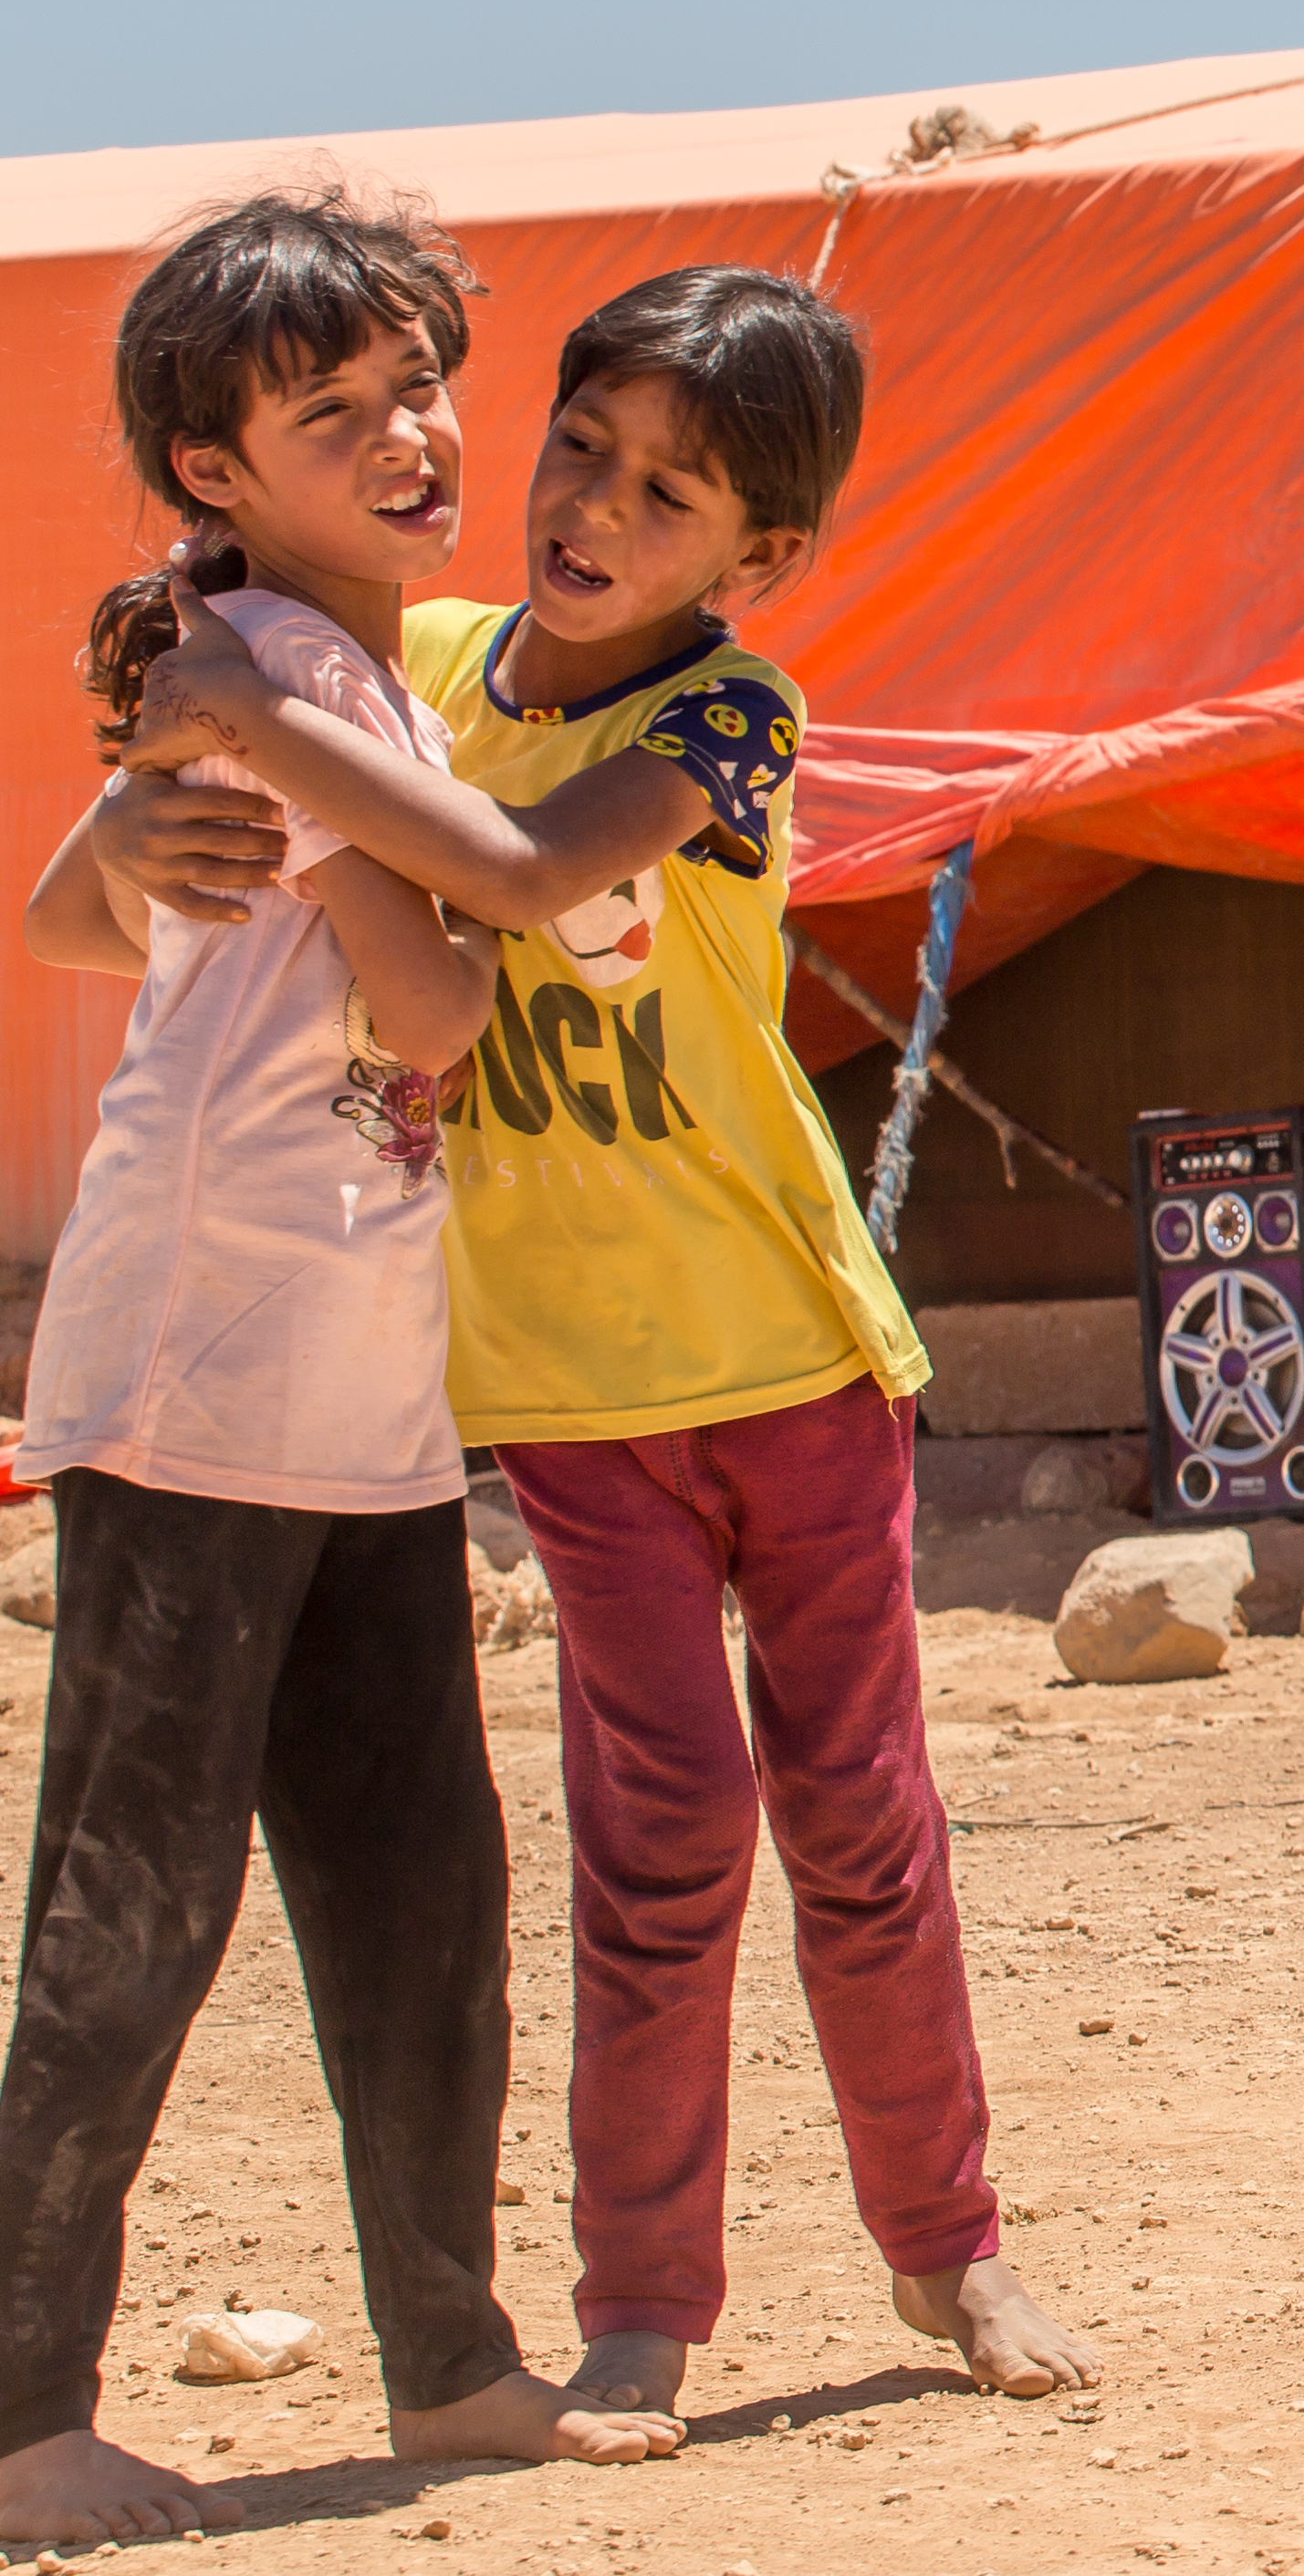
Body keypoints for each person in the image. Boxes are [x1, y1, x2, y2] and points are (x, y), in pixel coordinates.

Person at [84, 267, 1096, 2409]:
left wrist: (244, 716)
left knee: (861, 1824)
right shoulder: (419, 663)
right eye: (580, 447)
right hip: (562, 1392)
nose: (593, 504)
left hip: (789, 1363)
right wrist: (162, 695)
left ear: (759, 559)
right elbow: (226, 642)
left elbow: (533, 876)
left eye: (669, 490)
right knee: (655, 1843)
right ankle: (643, 2309)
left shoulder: (729, 722)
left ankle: (949, 2244)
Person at [5, 190, 683, 2546]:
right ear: (216, 466)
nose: (413, 436)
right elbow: (462, 961)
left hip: (358, 1390)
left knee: (418, 1877)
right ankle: (18, 2413)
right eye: (337, 411)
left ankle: (452, 2361)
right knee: (137, 1886)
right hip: (200, 1362)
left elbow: (83, 906)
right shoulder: (267, 666)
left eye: (416, 384)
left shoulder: (309, 680)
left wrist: (193, 832)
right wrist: (285, 835)